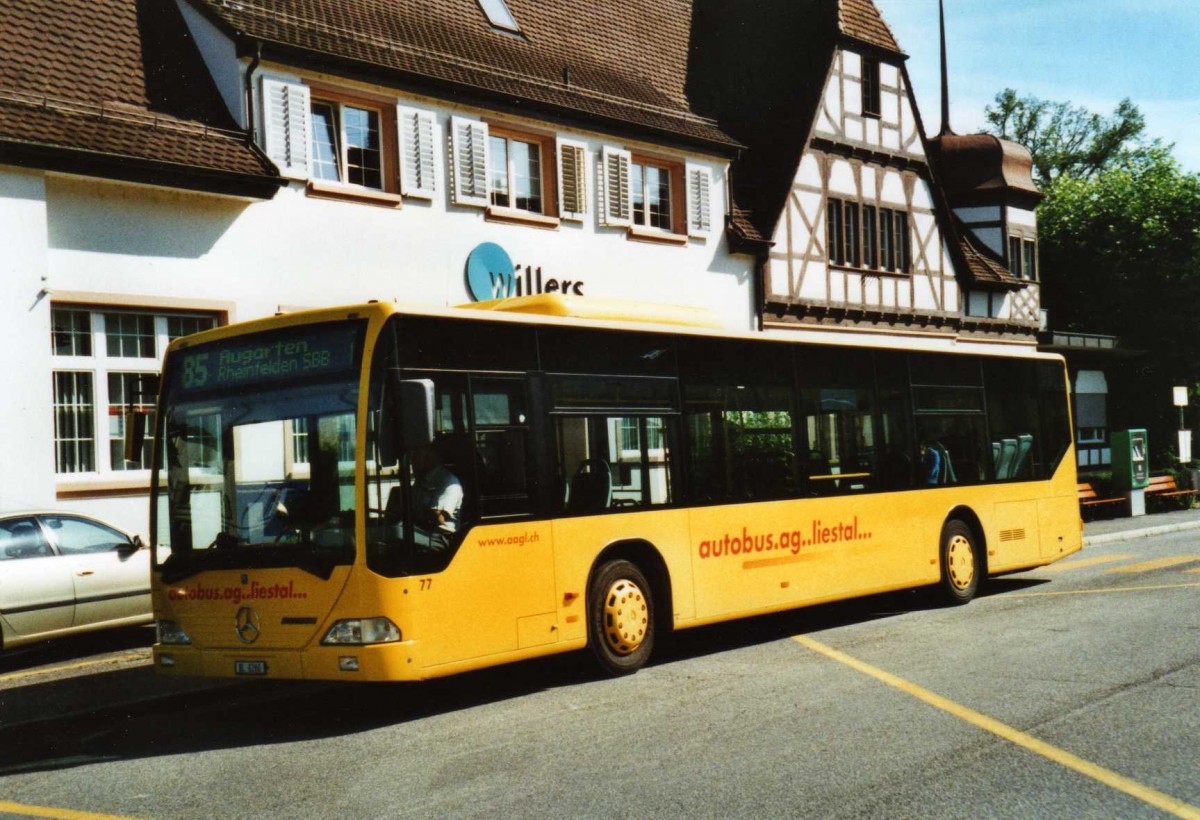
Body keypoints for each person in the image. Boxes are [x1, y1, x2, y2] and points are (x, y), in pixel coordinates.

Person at [411, 446, 463, 550]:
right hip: (422, 530)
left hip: (440, 536)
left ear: (428, 459)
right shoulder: (421, 480)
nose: (412, 463)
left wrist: (418, 514)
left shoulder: (449, 482)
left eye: (415, 458)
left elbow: (439, 518)